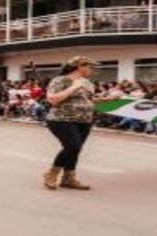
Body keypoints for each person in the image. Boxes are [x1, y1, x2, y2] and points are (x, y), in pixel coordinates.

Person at [43, 56, 110, 191]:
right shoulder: (60, 80)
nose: (92, 69)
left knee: (76, 149)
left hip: (84, 120)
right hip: (61, 119)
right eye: (90, 66)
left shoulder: (88, 83)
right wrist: (73, 86)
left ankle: (68, 178)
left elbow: (89, 101)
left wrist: (107, 99)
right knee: (72, 146)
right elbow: (52, 100)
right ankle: (51, 174)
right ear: (80, 66)